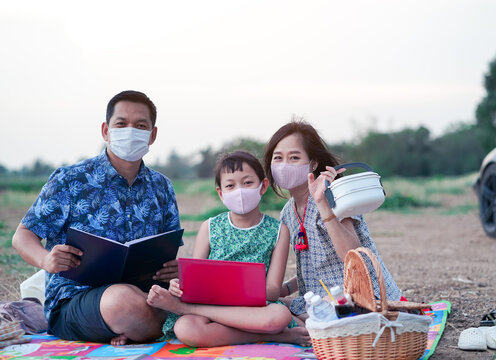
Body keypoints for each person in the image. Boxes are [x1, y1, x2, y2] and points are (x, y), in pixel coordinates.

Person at [12, 90, 182, 345]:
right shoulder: (71, 180)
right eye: (121, 124)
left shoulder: (162, 187)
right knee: (122, 301)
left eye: (140, 125)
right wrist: (46, 259)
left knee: (190, 296)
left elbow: (167, 252)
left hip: (148, 295)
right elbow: (23, 236)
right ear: (106, 131)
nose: (131, 131)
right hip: (76, 301)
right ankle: (150, 325)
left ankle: (136, 328)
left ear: (152, 135)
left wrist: (174, 271)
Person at [146, 151, 310, 347]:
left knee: (279, 315)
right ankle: (276, 336)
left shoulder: (278, 231)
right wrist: (179, 285)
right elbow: (194, 280)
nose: (239, 190)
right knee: (185, 328)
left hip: (254, 309)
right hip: (212, 307)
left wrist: (235, 292)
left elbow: (273, 292)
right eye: (230, 185)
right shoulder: (209, 227)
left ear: (263, 186)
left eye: (247, 182)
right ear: (221, 193)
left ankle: (187, 310)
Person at [262, 119, 402, 322]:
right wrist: (287, 288)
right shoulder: (287, 213)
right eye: (278, 158)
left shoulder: (335, 194)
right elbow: (317, 268)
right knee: (272, 308)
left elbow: (351, 255)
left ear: (313, 163)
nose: (284, 165)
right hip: (321, 298)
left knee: (284, 319)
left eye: (294, 157)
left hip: (362, 296)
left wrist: (322, 204)